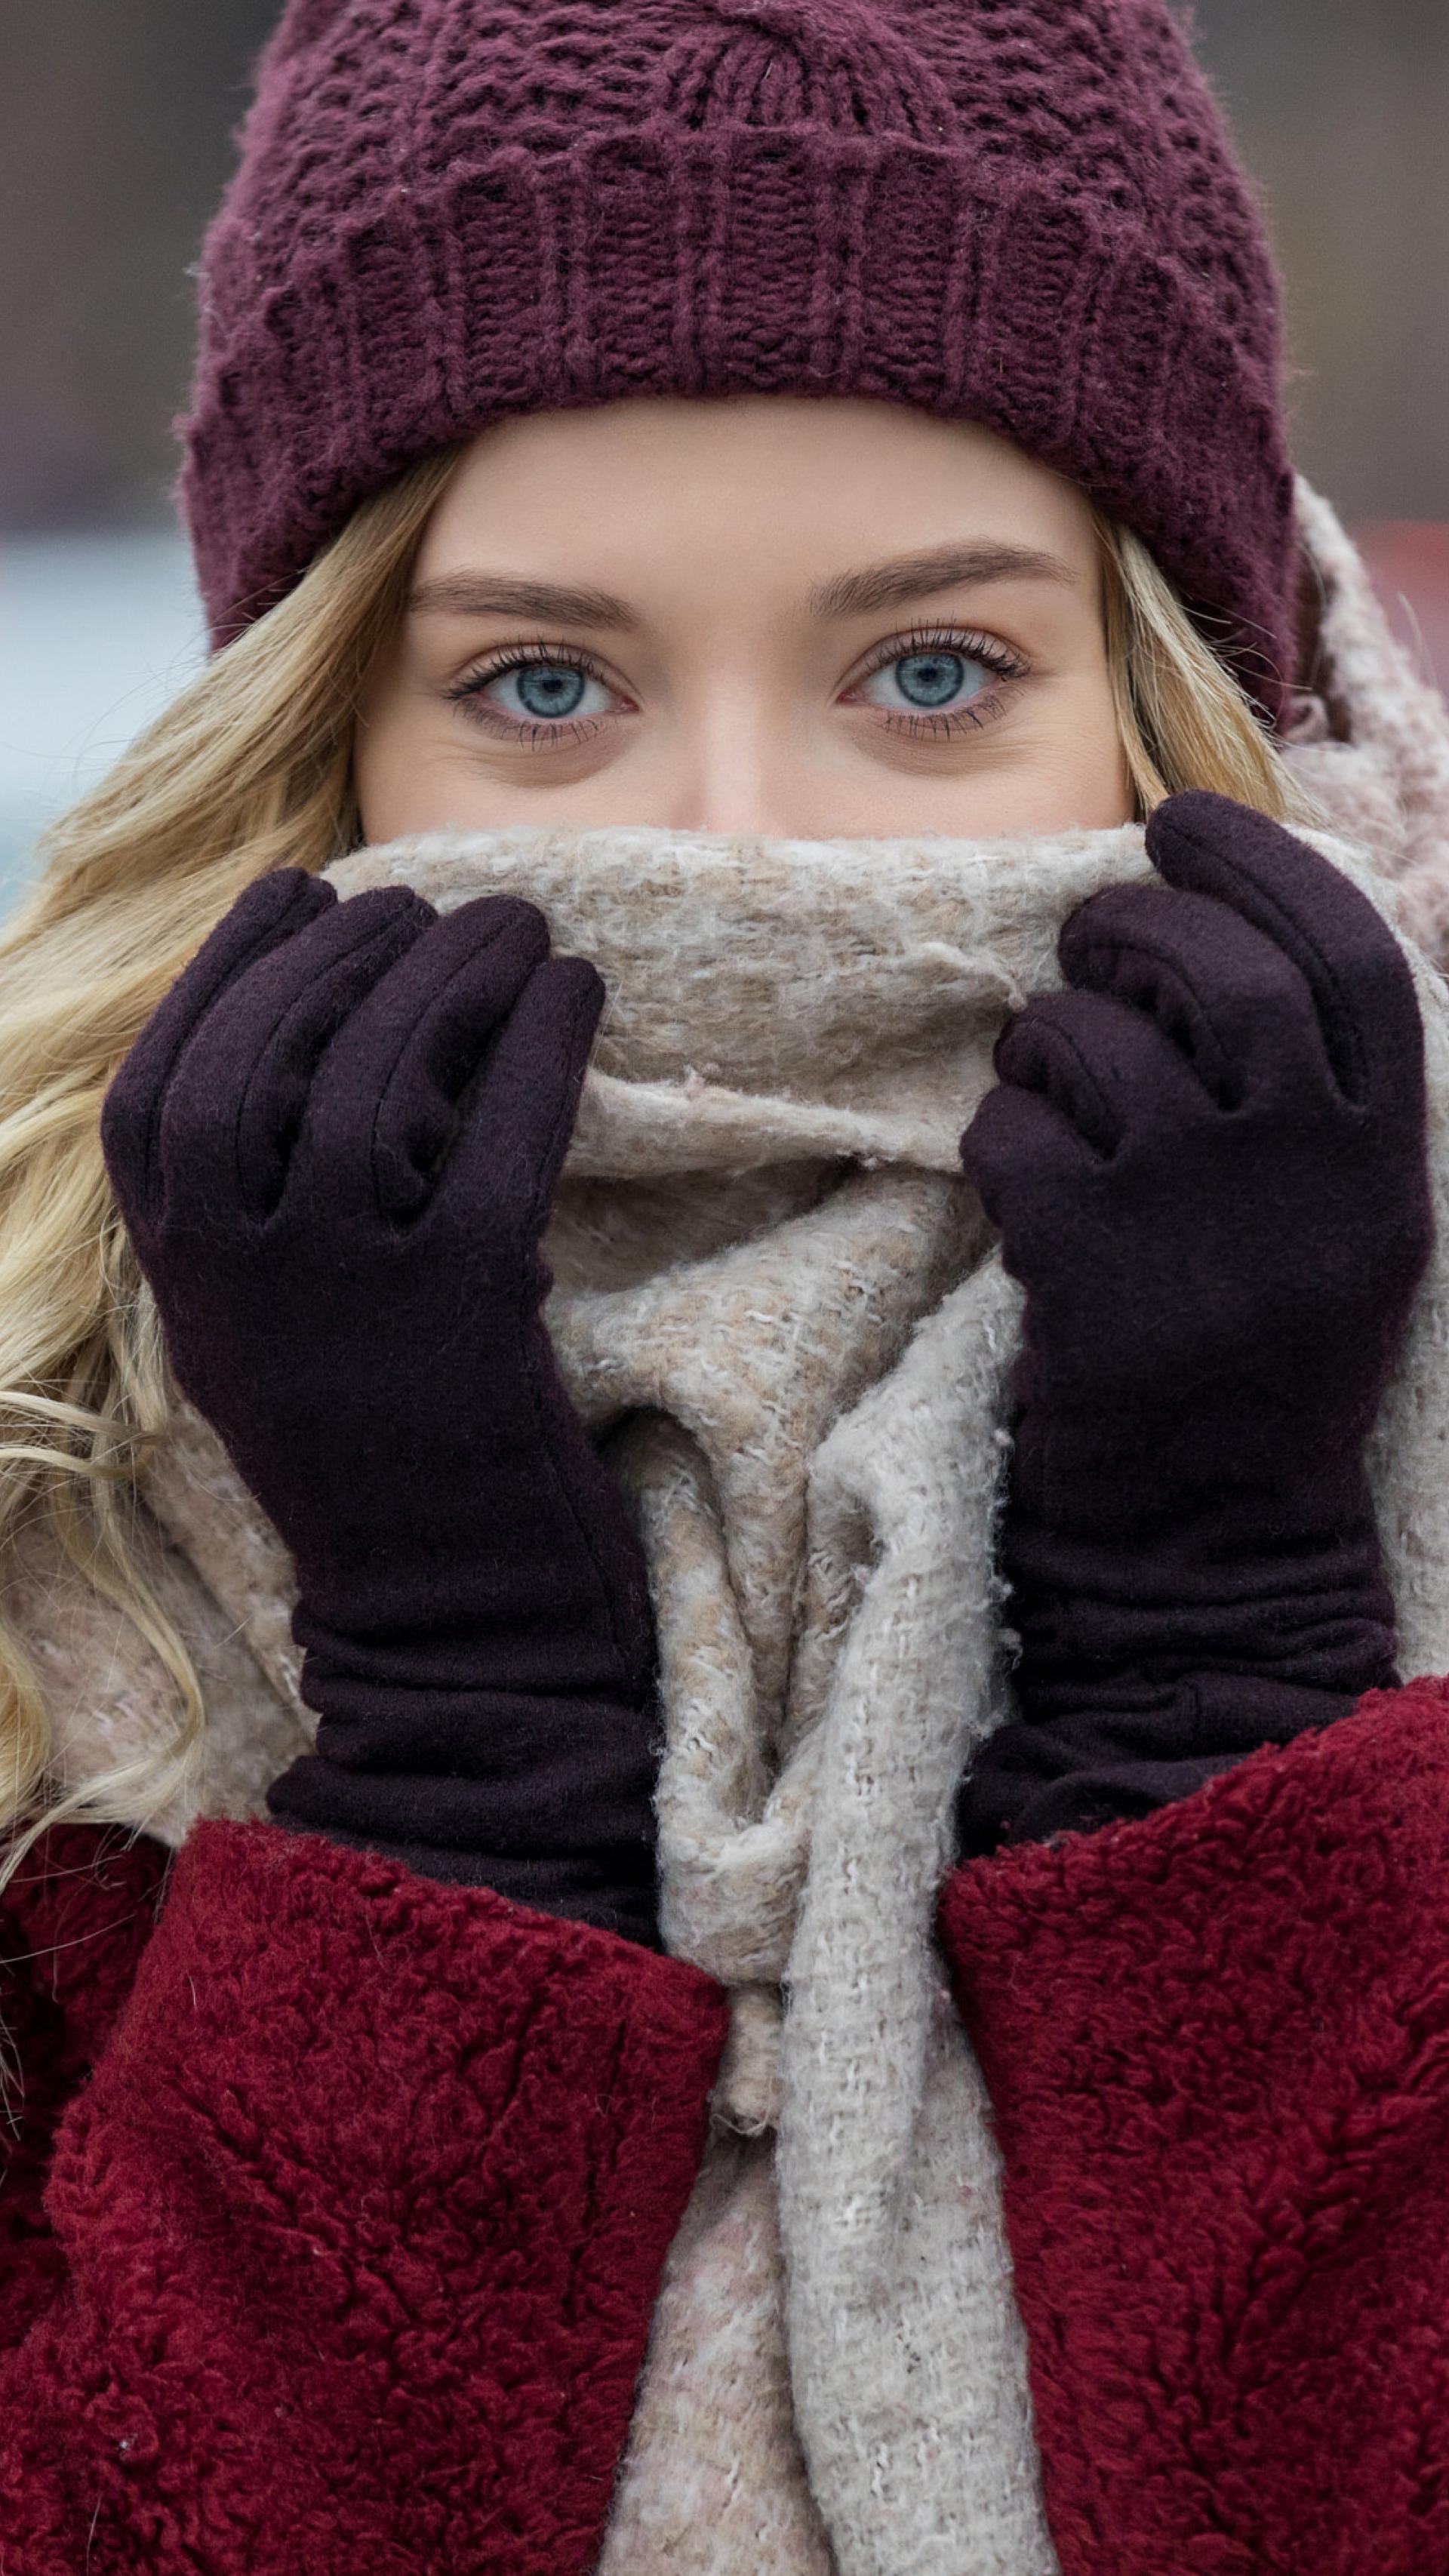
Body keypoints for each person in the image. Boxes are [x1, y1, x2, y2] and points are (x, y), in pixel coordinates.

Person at [2, 3, 1449, 2570]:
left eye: (933, 673)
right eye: (543, 687)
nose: (742, 839)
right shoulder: (52, 1513)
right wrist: (443, 1758)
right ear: (320, 728)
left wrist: (1234, 1685)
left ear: (1168, 694)